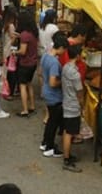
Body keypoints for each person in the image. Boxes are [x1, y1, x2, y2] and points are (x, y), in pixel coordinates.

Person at [40, 33, 69, 158]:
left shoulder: (45, 56)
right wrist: (63, 81)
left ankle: (45, 143)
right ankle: (50, 147)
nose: (64, 52)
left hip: (46, 92)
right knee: (54, 122)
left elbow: (42, 73)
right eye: (64, 49)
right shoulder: (54, 63)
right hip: (54, 95)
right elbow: (53, 82)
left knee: (51, 120)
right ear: (61, 47)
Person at [61, 44, 84, 173]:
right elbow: (79, 92)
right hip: (73, 105)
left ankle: (68, 155)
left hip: (66, 102)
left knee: (67, 131)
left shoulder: (65, 67)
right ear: (77, 56)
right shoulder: (75, 73)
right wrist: (82, 105)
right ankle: (67, 160)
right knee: (70, 133)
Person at [15, 11, 39, 117]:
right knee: (29, 84)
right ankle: (32, 105)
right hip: (33, 62)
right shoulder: (33, 33)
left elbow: (23, 51)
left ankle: (24, 109)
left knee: (22, 85)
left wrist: (15, 52)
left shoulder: (25, 35)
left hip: (25, 63)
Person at [1, 7, 20, 100]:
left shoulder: (5, 25)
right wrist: (17, 37)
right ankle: (7, 91)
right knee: (10, 72)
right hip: (9, 50)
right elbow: (12, 40)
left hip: (5, 49)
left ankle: (5, 90)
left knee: (5, 71)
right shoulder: (11, 26)